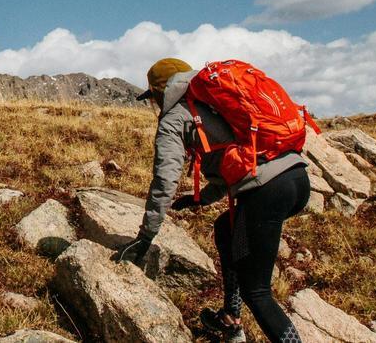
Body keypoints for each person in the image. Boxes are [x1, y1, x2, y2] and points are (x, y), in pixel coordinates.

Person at [115, 58, 310, 343]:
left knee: (258, 293)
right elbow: (235, 163)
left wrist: (145, 237)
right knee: (225, 229)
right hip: (296, 179)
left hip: (266, 192)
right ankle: (230, 318)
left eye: (153, 98)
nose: (154, 104)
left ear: (159, 92)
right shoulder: (214, 99)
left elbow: (164, 179)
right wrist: (200, 199)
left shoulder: (174, 117)